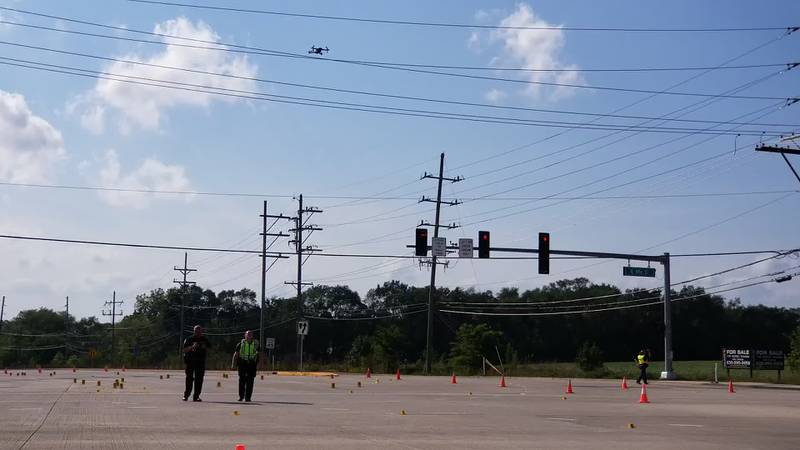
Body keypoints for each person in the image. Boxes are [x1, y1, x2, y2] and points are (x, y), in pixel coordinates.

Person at [183, 325, 211, 402]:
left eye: (199, 331)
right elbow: (184, 350)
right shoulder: (189, 339)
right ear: (194, 331)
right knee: (189, 379)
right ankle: (186, 395)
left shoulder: (204, 339)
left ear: (201, 331)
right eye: (196, 331)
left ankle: (196, 396)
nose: (198, 332)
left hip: (200, 362)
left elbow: (209, 348)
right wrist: (192, 347)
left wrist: (204, 347)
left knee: (199, 380)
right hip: (190, 362)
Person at [231, 330, 259, 402]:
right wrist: (233, 364)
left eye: (250, 334)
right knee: (242, 380)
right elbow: (236, 354)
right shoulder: (240, 344)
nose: (249, 336)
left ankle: (248, 397)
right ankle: (241, 396)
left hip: (252, 364)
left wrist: (261, 364)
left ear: (252, 336)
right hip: (242, 364)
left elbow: (260, 354)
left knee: (250, 381)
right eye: (247, 334)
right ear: (245, 336)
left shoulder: (256, 344)